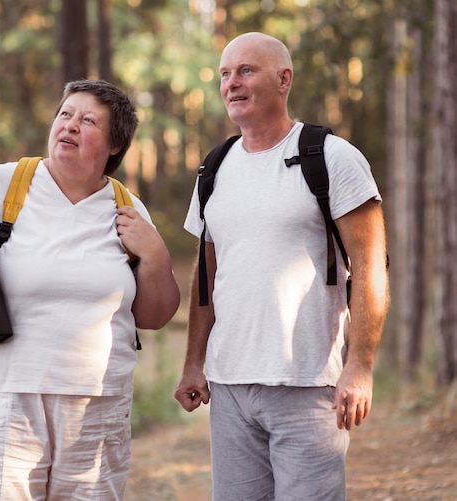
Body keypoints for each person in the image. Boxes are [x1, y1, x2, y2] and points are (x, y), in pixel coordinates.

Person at [0, 79, 180, 500]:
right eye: (66, 114)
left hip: (97, 408)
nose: (71, 125)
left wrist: (156, 255)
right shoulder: (5, 183)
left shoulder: (127, 206)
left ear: (115, 144)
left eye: (89, 120)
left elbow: (154, 316)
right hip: (3, 399)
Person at [174, 32, 389, 500]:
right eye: (225, 74)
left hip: (308, 383)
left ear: (283, 79)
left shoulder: (332, 157)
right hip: (229, 386)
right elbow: (207, 279)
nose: (232, 82)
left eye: (246, 70)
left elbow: (371, 266)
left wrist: (360, 365)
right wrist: (194, 362)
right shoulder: (214, 169)